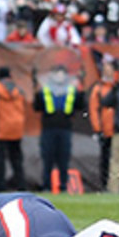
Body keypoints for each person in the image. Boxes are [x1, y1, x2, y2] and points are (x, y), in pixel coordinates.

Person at [32, 64, 79, 193]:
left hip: (65, 128)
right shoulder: (46, 90)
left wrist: (81, 87)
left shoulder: (71, 90)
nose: (59, 76)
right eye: (57, 73)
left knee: (64, 158)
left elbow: (79, 105)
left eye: (62, 73)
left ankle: (63, 185)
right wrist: (35, 89)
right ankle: (46, 185)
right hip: (48, 128)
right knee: (47, 157)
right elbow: (37, 107)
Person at [0, 66, 26, 190]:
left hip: (2, 128)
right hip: (17, 128)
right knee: (17, 158)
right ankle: (21, 184)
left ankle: (1, 185)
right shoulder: (18, 89)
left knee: (0, 158)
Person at [88, 58, 117, 191]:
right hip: (106, 129)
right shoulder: (99, 89)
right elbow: (94, 110)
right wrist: (97, 128)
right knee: (106, 159)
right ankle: (105, 185)